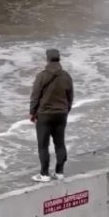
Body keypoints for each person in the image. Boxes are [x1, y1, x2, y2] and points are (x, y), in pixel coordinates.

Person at [29, 48, 74, 182]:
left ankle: (44, 174)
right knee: (60, 143)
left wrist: (32, 112)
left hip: (45, 115)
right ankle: (59, 172)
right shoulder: (66, 76)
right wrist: (66, 110)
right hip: (61, 114)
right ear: (59, 59)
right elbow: (70, 96)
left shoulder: (42, 76)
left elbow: (35, 96)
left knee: (43, 145)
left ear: (47, 59)